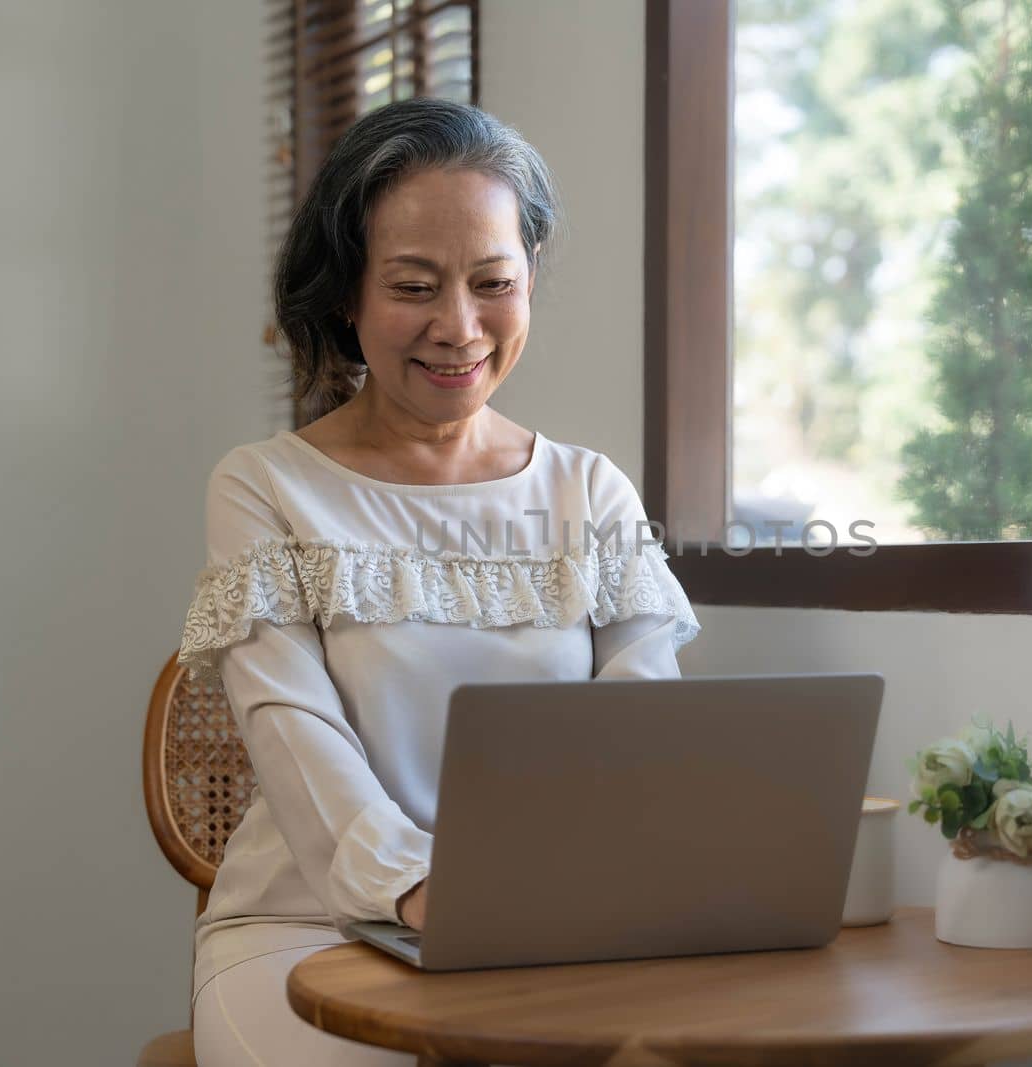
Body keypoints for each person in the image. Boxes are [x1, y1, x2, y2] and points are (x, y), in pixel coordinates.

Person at [176, 98, 701, 1065]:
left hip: (543, 937)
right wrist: (425, 891)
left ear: (530, 279)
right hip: (309, 934)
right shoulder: (265, 486)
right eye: (414, 286)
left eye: (493, 282)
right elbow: (295, 733)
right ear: (347, 295)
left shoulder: (590, 489)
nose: (459, 329)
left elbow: (641, 732)